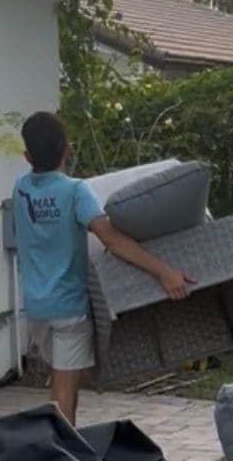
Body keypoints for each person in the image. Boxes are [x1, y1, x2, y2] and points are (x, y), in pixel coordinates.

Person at [14, 111, 192, 425]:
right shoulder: (75, 191)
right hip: (68, 306)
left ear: (27, 156)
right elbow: (112, 239)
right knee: (64, 392)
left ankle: (62, 441)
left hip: (36, 306)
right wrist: (164, 272)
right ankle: (62, 451)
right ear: (68, 149)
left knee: (65, 381)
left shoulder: (21, 189)